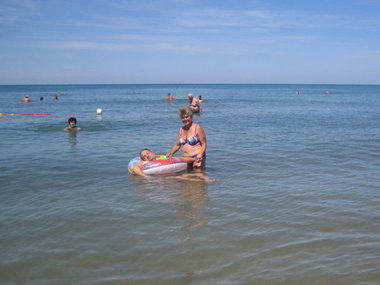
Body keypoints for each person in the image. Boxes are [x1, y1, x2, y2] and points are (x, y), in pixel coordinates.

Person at [166, 106, 207, 172]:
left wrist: (200, 154)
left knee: (199, 177)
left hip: (197, 157)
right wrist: (171, 153)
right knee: (187, 178)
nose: (185, 119)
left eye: (187, 117)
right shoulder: (181, 130)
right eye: (183, 118)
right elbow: (177, 144)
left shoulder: (197, 127)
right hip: (186, 159)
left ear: (191, 117)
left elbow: (204, 144)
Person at [131, 148, 195, 177]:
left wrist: (194, 159)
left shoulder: (163, 158)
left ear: (153, 153)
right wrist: (145, 176)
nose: (147, 156)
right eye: (144, 156)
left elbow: (179, 159)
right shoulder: (145, 163)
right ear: (143, 159)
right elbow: (135, 168)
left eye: (148, 153)